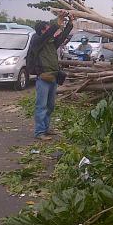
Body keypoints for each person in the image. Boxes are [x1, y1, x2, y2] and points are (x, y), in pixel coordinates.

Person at [30, 12, 74, 140]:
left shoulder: (50, 42)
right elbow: (49, 34)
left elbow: (62, 36)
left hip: (53, 77)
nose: (51, 31)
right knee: (41, 106)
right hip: (43, 78)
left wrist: (69, 23)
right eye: (48, 28)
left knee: (50, 106)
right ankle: (39, 132)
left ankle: (46, 128)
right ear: (42, 30)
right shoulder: (37, 41)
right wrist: (59, 20)